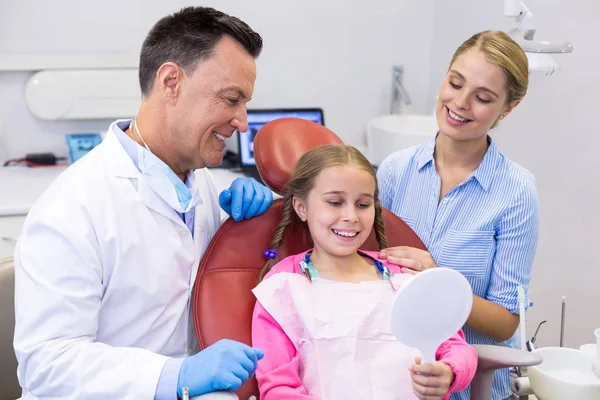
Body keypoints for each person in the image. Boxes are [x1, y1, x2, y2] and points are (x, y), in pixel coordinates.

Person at [13, 7, 274, 400]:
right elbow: (47, 365)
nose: (242, 120)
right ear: (171, 82)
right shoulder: (73, 207)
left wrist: (264, 202)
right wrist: (177, 374)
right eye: (231, 99)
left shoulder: (201, 182)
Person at [377, 30, 539, 400]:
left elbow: (504, 324)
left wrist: (438, 281)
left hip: (470, 388)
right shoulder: (394, 172)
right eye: (455, 83)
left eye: (483, 98)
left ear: (508, 108)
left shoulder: (515, 192)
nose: (460, 103)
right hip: (393, 377)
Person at [251, 144, 477, 400]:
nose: (351, 216)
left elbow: (456, 346)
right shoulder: (283, 288)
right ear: (301, 207)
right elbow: (279, 389)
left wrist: (449, 372)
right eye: (335, 202)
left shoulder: (404, 276)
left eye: (362, 204)